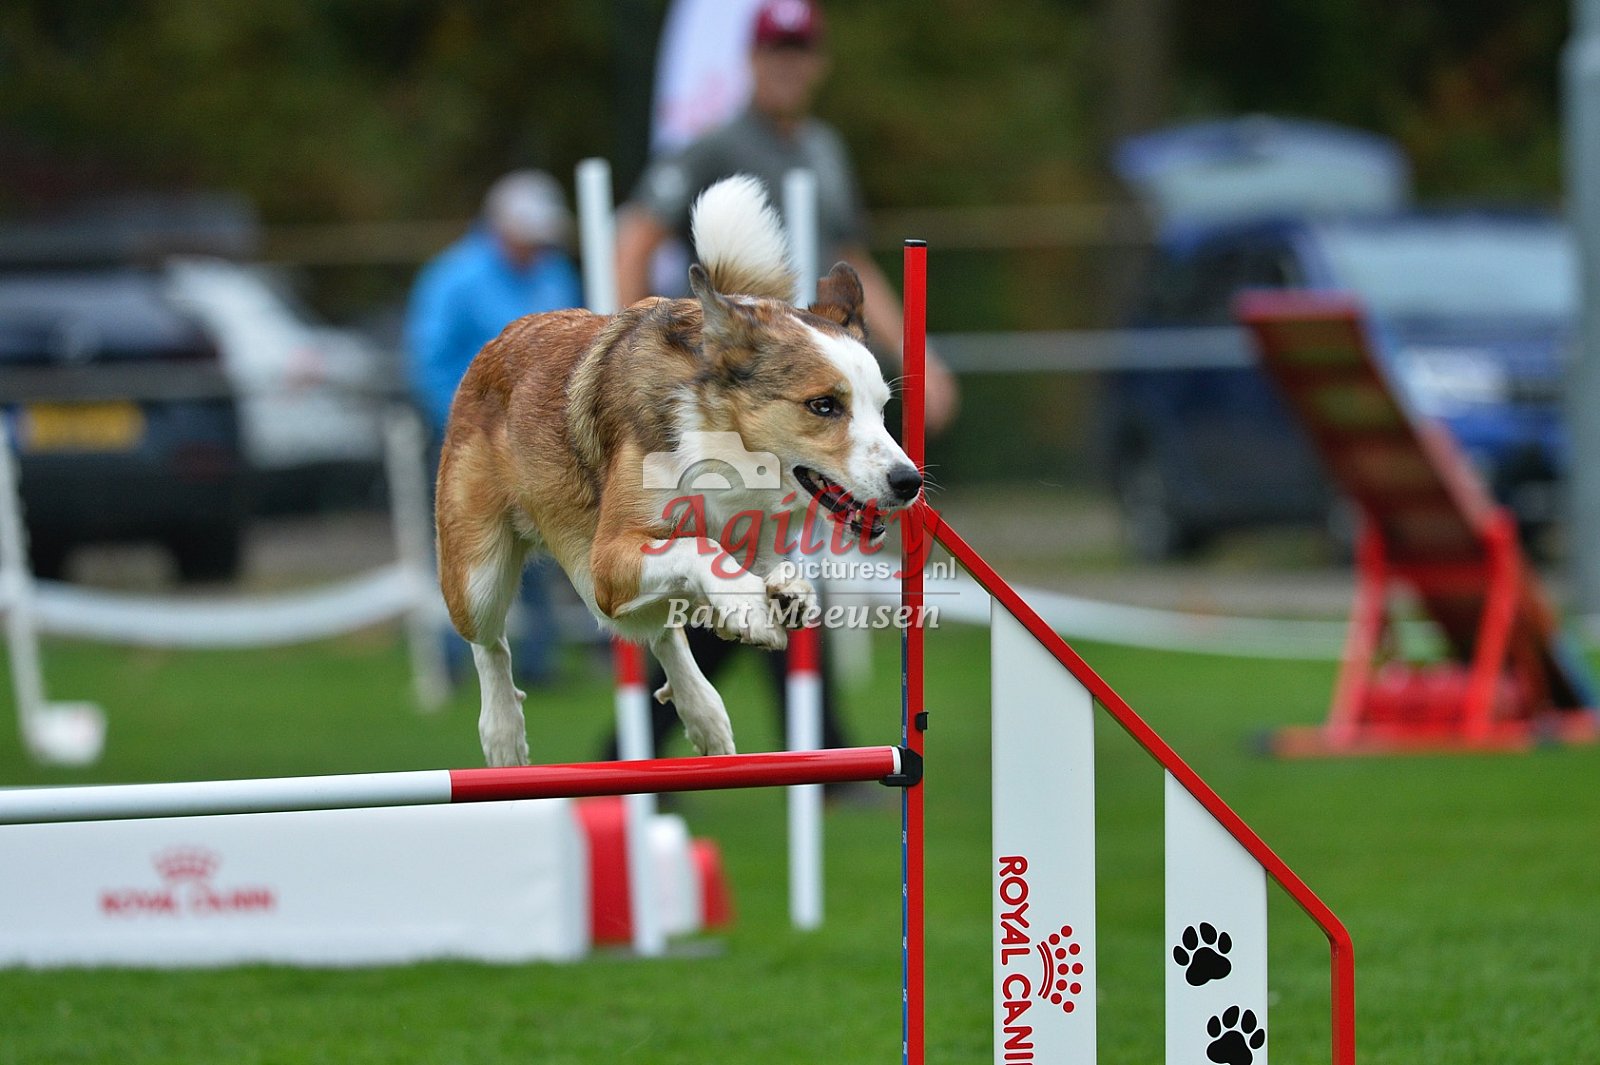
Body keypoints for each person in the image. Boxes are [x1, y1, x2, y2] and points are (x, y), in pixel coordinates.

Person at [606, 0, 957, 769]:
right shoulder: (713, 147)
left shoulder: (826, 150)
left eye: (800, 52)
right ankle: (800, 754)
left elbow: (852, 259)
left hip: (813, 397)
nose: (788, 67)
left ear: (818, 63)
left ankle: (646, 759)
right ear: (752, 60)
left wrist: (918, 357)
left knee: (767, 573)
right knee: (756, 568)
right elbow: (635, 235)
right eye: (775, 52)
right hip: (737, 397)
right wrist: (629, 345)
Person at [405, 170, 583, 686]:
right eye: (531, 235)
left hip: (542, 440)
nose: (538, 246)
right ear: (503, 227)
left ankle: (538, 661)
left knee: (545, 544)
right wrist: (467, 428)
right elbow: (430, 358)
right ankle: (451, 657)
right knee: (465, 544)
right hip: (467, 438)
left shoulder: (554, 273)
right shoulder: (454, 277)